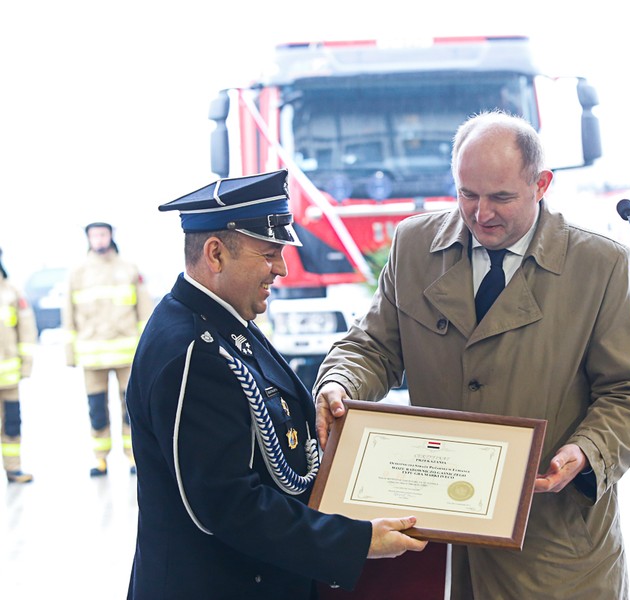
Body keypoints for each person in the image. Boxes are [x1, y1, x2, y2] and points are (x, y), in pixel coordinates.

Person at [315, 111, 630, 600]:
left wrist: (586, 452)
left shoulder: (601, 265)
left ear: (541, 184)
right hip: (441, 535)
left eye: (501, 197)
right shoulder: (414, 245)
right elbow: (373, 346)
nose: (481, 214)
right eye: (467, 195)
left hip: (553, 543)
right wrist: (340, 383)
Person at [125, 170, 425, 598]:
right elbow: (227, 504)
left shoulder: (226, 322)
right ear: (215, 254)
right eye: (269, 254)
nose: (281, 268)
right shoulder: (193, 350)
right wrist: (357, 541)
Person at [62, 222, 153, 476]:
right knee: (97, 410)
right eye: (94, 235)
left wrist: (147, 351)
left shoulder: (129, 269)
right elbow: (68, 315)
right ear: (88, 239)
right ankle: (100, 459)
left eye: (103, 234)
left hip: (127, 355)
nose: (99, 239)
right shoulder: (77, 272)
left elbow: (145, 313)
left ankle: (133, 457)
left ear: (111, 236)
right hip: (92, 355)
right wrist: (70, 353)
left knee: (130, 410)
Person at [0, 248, 37, 483]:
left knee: (12, 423)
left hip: (9, 377)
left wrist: (26, 366)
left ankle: (13, 469)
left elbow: (26, 331)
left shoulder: (11, 291)